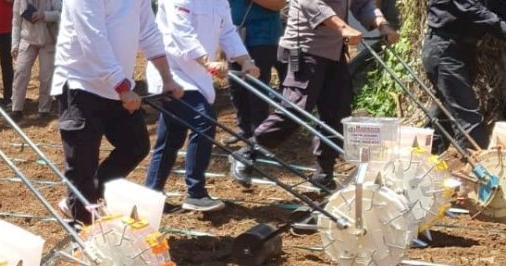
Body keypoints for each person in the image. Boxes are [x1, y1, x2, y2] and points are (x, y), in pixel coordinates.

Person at [230, 0, 397, 191]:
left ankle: (323, 175)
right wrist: (342, 27)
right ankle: (247, 152)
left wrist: (382, 24)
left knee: (337, 113)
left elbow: (362, 3)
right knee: (296, 110)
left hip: (334, 52)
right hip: (304, 49)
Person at [50, 0, 183, 224]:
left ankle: (88, 198)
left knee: (136, 145)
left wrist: (167, 78)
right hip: (81, 85)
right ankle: (83, 231)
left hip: (117, 85)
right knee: (82, 163)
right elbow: (92, 39)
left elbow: (149, 32)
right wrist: (121, 86)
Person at [145, 0, 260, 212]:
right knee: (203, 120)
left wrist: (245, 60)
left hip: (197, 75)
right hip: (172, 73)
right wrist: (206, 61)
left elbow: (227, 31)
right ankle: (195, 193)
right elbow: (181, 32)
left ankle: (151, 194)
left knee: (172, 135)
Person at [423, 0, 506, 153]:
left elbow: (499, 6)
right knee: (470, 125)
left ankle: (423, 161)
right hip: (445, 47)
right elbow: (471, 7)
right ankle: (477, 173)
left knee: (445, 114)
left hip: (464, 50)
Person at [227, 0, 286, 142]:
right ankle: (245, 129)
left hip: (262, 39)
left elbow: (279, 4)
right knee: (237, 87)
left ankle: (259, 134)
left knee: (256, 88)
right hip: (235, 38)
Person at [9, 0, 60, 121]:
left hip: (48, 40)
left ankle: (44, 109)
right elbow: (16, 22)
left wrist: (45, 15)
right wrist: (14, 45)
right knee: (20, 72)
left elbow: (62, 13)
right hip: (27, 40)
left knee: (46, 76)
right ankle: (17, 109)